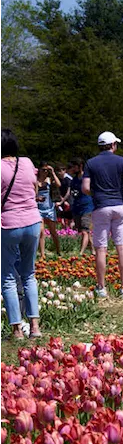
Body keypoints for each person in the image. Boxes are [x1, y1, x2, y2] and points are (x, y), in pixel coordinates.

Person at [83, 131, 123, 297]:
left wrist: (97, 194)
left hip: (101, 207)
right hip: (120, 206)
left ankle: (101, 287)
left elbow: (85, 188)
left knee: (101, 249)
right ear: (113, 145)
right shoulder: (122, 161)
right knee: (121, 247)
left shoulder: (91, 163)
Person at [0, 128, 42, 339]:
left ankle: (16, 329)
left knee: (7, 277)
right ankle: (35, 327)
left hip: (9, 224)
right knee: (29, 274)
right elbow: (34, 191)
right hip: (33, 222)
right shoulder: (26, 162)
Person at [65, 159, 94, 256]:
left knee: (85, 231)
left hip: (87, 207)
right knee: (84, 231)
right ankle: (93, 251)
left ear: (80, 166)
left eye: (74, 166)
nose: (73, 169)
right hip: (77, 207)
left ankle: (81, 252)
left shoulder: (87, 178)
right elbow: (73, 194)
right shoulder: (74, 180)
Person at [35, 164, 61, 256]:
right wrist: (37, 198)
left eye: (47, 170)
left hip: (50, 209)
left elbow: (58, 184)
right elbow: (33, 194)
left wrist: (53, 172)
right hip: (39, 209)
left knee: (53, 231)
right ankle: (42, 254)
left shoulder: (49, 180)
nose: (45, 172)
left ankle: (58, 251)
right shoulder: (36, 180)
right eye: (43, 170)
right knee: (41, 232)